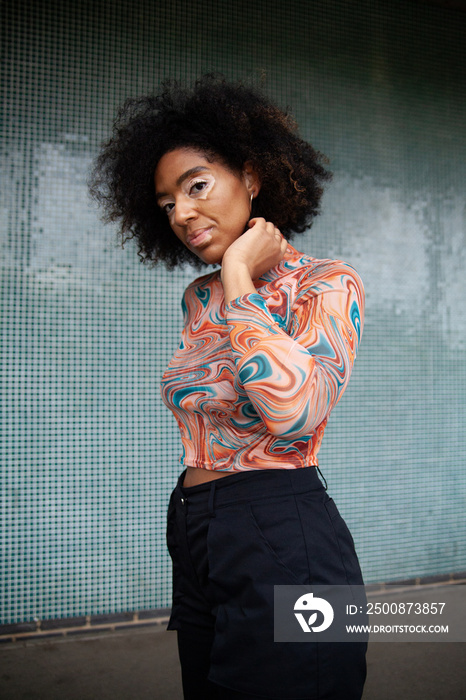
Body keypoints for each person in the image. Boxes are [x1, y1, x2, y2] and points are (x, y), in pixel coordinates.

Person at [90, 75, 367, 700]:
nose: (182, 214)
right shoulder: (198, 297)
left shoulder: (326, 283)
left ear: (254, 174)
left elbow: (292, 411)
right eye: (166, 204)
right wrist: (226, 284)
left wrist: (240, 274)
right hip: (195, 527)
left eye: (196, 186)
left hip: (283, 528)